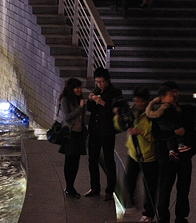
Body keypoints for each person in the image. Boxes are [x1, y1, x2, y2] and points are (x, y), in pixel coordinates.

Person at [147, 83, 196, 223]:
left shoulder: (184, 110)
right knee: (165, 187)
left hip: (184, 155)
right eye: (171, 93)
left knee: (184, 187)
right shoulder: (159, 112)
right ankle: (164, 217)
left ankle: (181, 217)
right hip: (166, 156)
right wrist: (173, 133)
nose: (175, 95)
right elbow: (156, 133)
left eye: (176, 92)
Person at [118, 88, 158, 220]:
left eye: (140, 101)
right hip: (133, 153)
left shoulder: (152, 113)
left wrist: (140, 131)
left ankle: (148, 213)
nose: (137, 103)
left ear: (146, 101)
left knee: (149, 187)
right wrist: (118, 116)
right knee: (129, 180)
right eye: (135, 101)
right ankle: (132, 204)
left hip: (149, 156)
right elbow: (121, 126)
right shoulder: (132, 111)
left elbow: (156, 135)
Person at [85, 66, 123, 199]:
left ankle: (109, 190)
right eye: (97, 82)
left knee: (109, 160)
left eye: (101, 81)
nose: (99, 84)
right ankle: (95, 187)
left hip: (107, 131)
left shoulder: (115, 93)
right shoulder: (96, 91)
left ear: (107, 81)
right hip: (94, 131)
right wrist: (90, 100)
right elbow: (90, 109)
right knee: (92, 160)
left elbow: (114, 110)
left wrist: (102, 102)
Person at [57, 78, 87, 198]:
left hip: (79, 134)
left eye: (80, 87)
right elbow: (67, 117)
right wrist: (80, 108)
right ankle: (69, 187)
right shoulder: (65, 100)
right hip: (70, 135)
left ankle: (71, 186)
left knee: (76, 162)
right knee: (69, 162)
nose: (79, 90)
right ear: (71, 89)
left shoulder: (79, 99)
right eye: (76, 88)